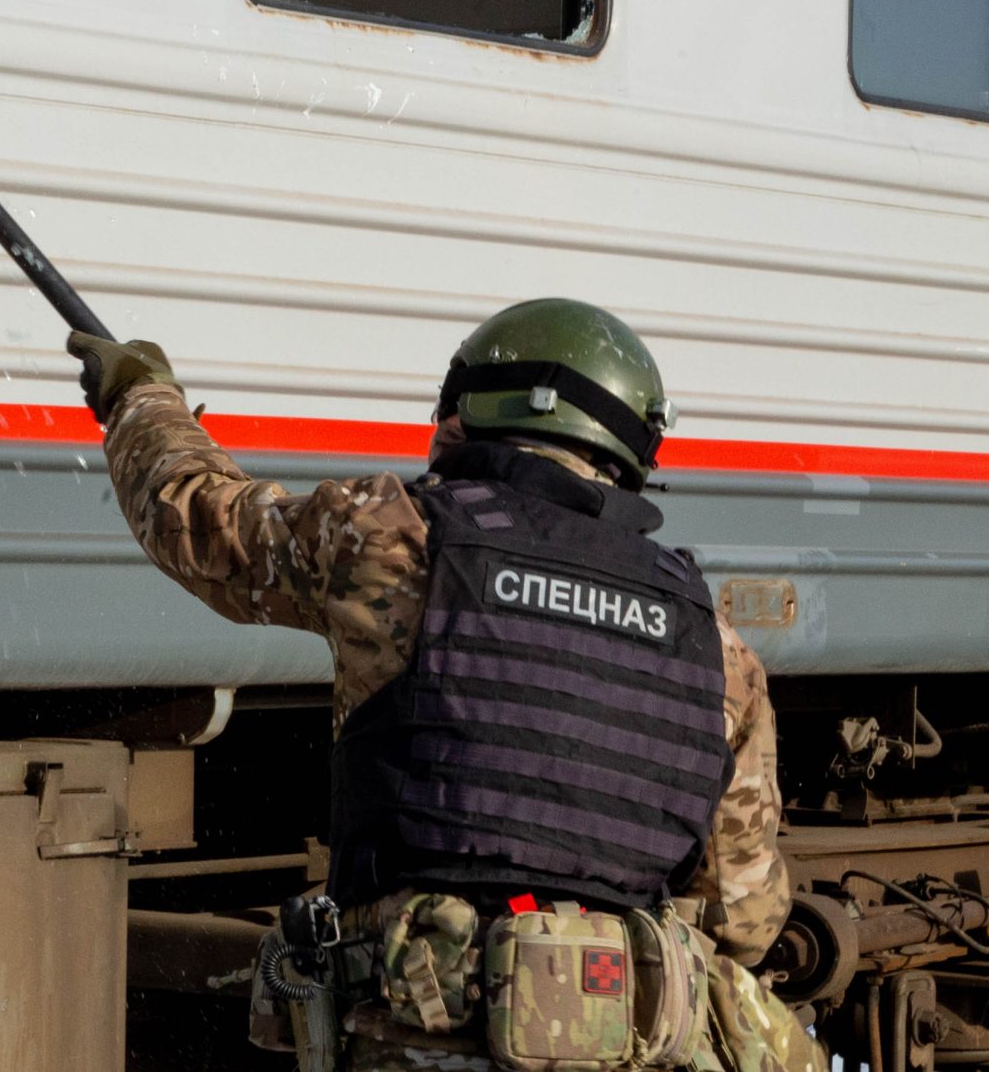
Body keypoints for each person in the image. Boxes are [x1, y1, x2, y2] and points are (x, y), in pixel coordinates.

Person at [71, 299, 822, 1072]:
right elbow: (745, 919)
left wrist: (141, 397)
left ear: (474, 409)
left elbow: (198, 520)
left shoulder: (395, 543)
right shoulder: (718, 648)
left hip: (416, 1036)